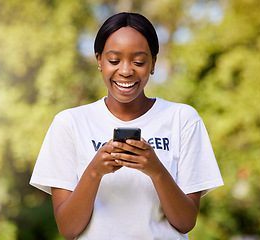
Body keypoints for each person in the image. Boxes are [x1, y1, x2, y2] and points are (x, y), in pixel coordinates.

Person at [30, 12, 223, 240]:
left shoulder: (183, 119)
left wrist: (156, 170)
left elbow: (185, 222)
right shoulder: (70, 123)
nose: (126, 71)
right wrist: (95, 171)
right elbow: (68, 229)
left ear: (153, 64)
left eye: (139, 61)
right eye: (114, 60)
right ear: (99, 61)